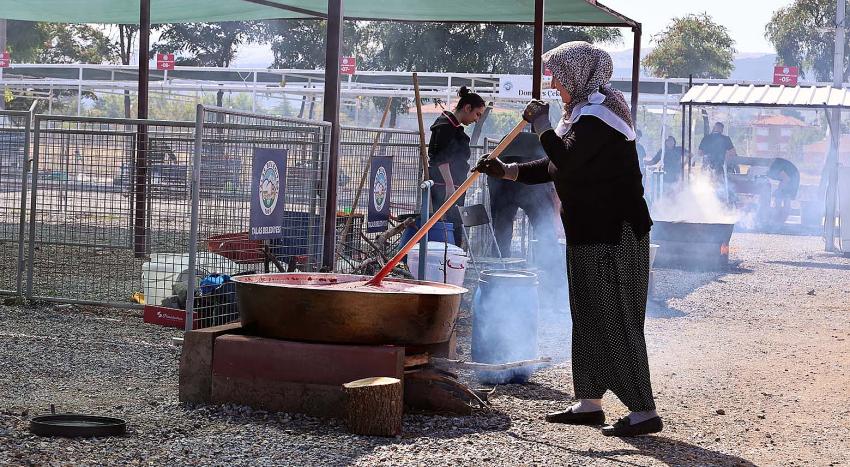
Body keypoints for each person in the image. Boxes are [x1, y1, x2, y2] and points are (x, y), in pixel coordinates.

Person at [475, 41, 661, 437]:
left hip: (615, 234)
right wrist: (507, 171)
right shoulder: (581, 116)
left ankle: (643, 411)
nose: (553, 83)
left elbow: (569, 160)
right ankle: (590, 403)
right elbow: (555, 164)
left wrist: (540, 124)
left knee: (617, 319)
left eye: (557, 75)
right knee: (589, 315)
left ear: (578, 73)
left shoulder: (601, 116)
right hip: (588, 232)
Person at [486, 132, 568, 312]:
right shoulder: (551, 143)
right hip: (523, 177)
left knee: (501, 232)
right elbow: (554, 181)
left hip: (504, 175)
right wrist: (554, 213)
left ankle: (496, 287)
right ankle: (556, 290)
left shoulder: (539, 143)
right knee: (545, 234)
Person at [428, 86, 486, 246]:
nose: (477, 119)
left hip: (454, 186)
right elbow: (441, 157)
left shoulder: (453, 127)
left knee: (455, 227)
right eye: (477, 114)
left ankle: (454, 262)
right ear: (467, 108)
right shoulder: (444, 125)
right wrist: (448, 185)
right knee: (446, 227)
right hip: (444, 186)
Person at [765, 157, 800, 226]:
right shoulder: (769, 169)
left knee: (785, 198)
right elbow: (783, 179)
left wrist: (778, 190)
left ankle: (780, 222)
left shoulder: (772, 168)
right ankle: (778, 221)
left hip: (793, 177)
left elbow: (786, 178)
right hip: (792, 176)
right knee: (779, 197)